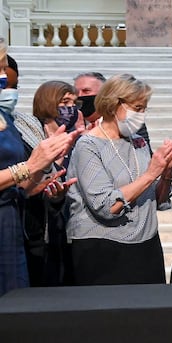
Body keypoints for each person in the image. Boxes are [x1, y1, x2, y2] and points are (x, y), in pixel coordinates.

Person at [66, 73, 172, 285]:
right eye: (137, 108)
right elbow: (105, 206)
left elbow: (157, 200)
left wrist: (166, 171)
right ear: (114, 104)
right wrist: (151, 174)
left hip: (146, 243)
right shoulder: (88, 145)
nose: (141, 115)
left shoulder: (139, 142)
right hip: (102, 249)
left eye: (144, 109)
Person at [0, 36, 79, 296]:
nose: (5, 78)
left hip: (12, 220)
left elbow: (23, 186)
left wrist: (46, 170)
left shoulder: (6, 121)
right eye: (0, 69)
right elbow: (23, 170)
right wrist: (32, 163)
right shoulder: (21, 124)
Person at [12, 79, 79, 286]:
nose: (71, 109)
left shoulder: (77, 137)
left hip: (66, 228)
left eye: (74, 103)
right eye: (65, 102)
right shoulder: (25, 136)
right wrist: (53, 162)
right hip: (35, 227)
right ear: (48, 101)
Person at [74, 72, 152, 147]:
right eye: (76, 92)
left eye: (86, 91)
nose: (79, 96)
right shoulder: (70, 123)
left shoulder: (129, 121)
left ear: (103, 93)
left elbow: (145, 154)